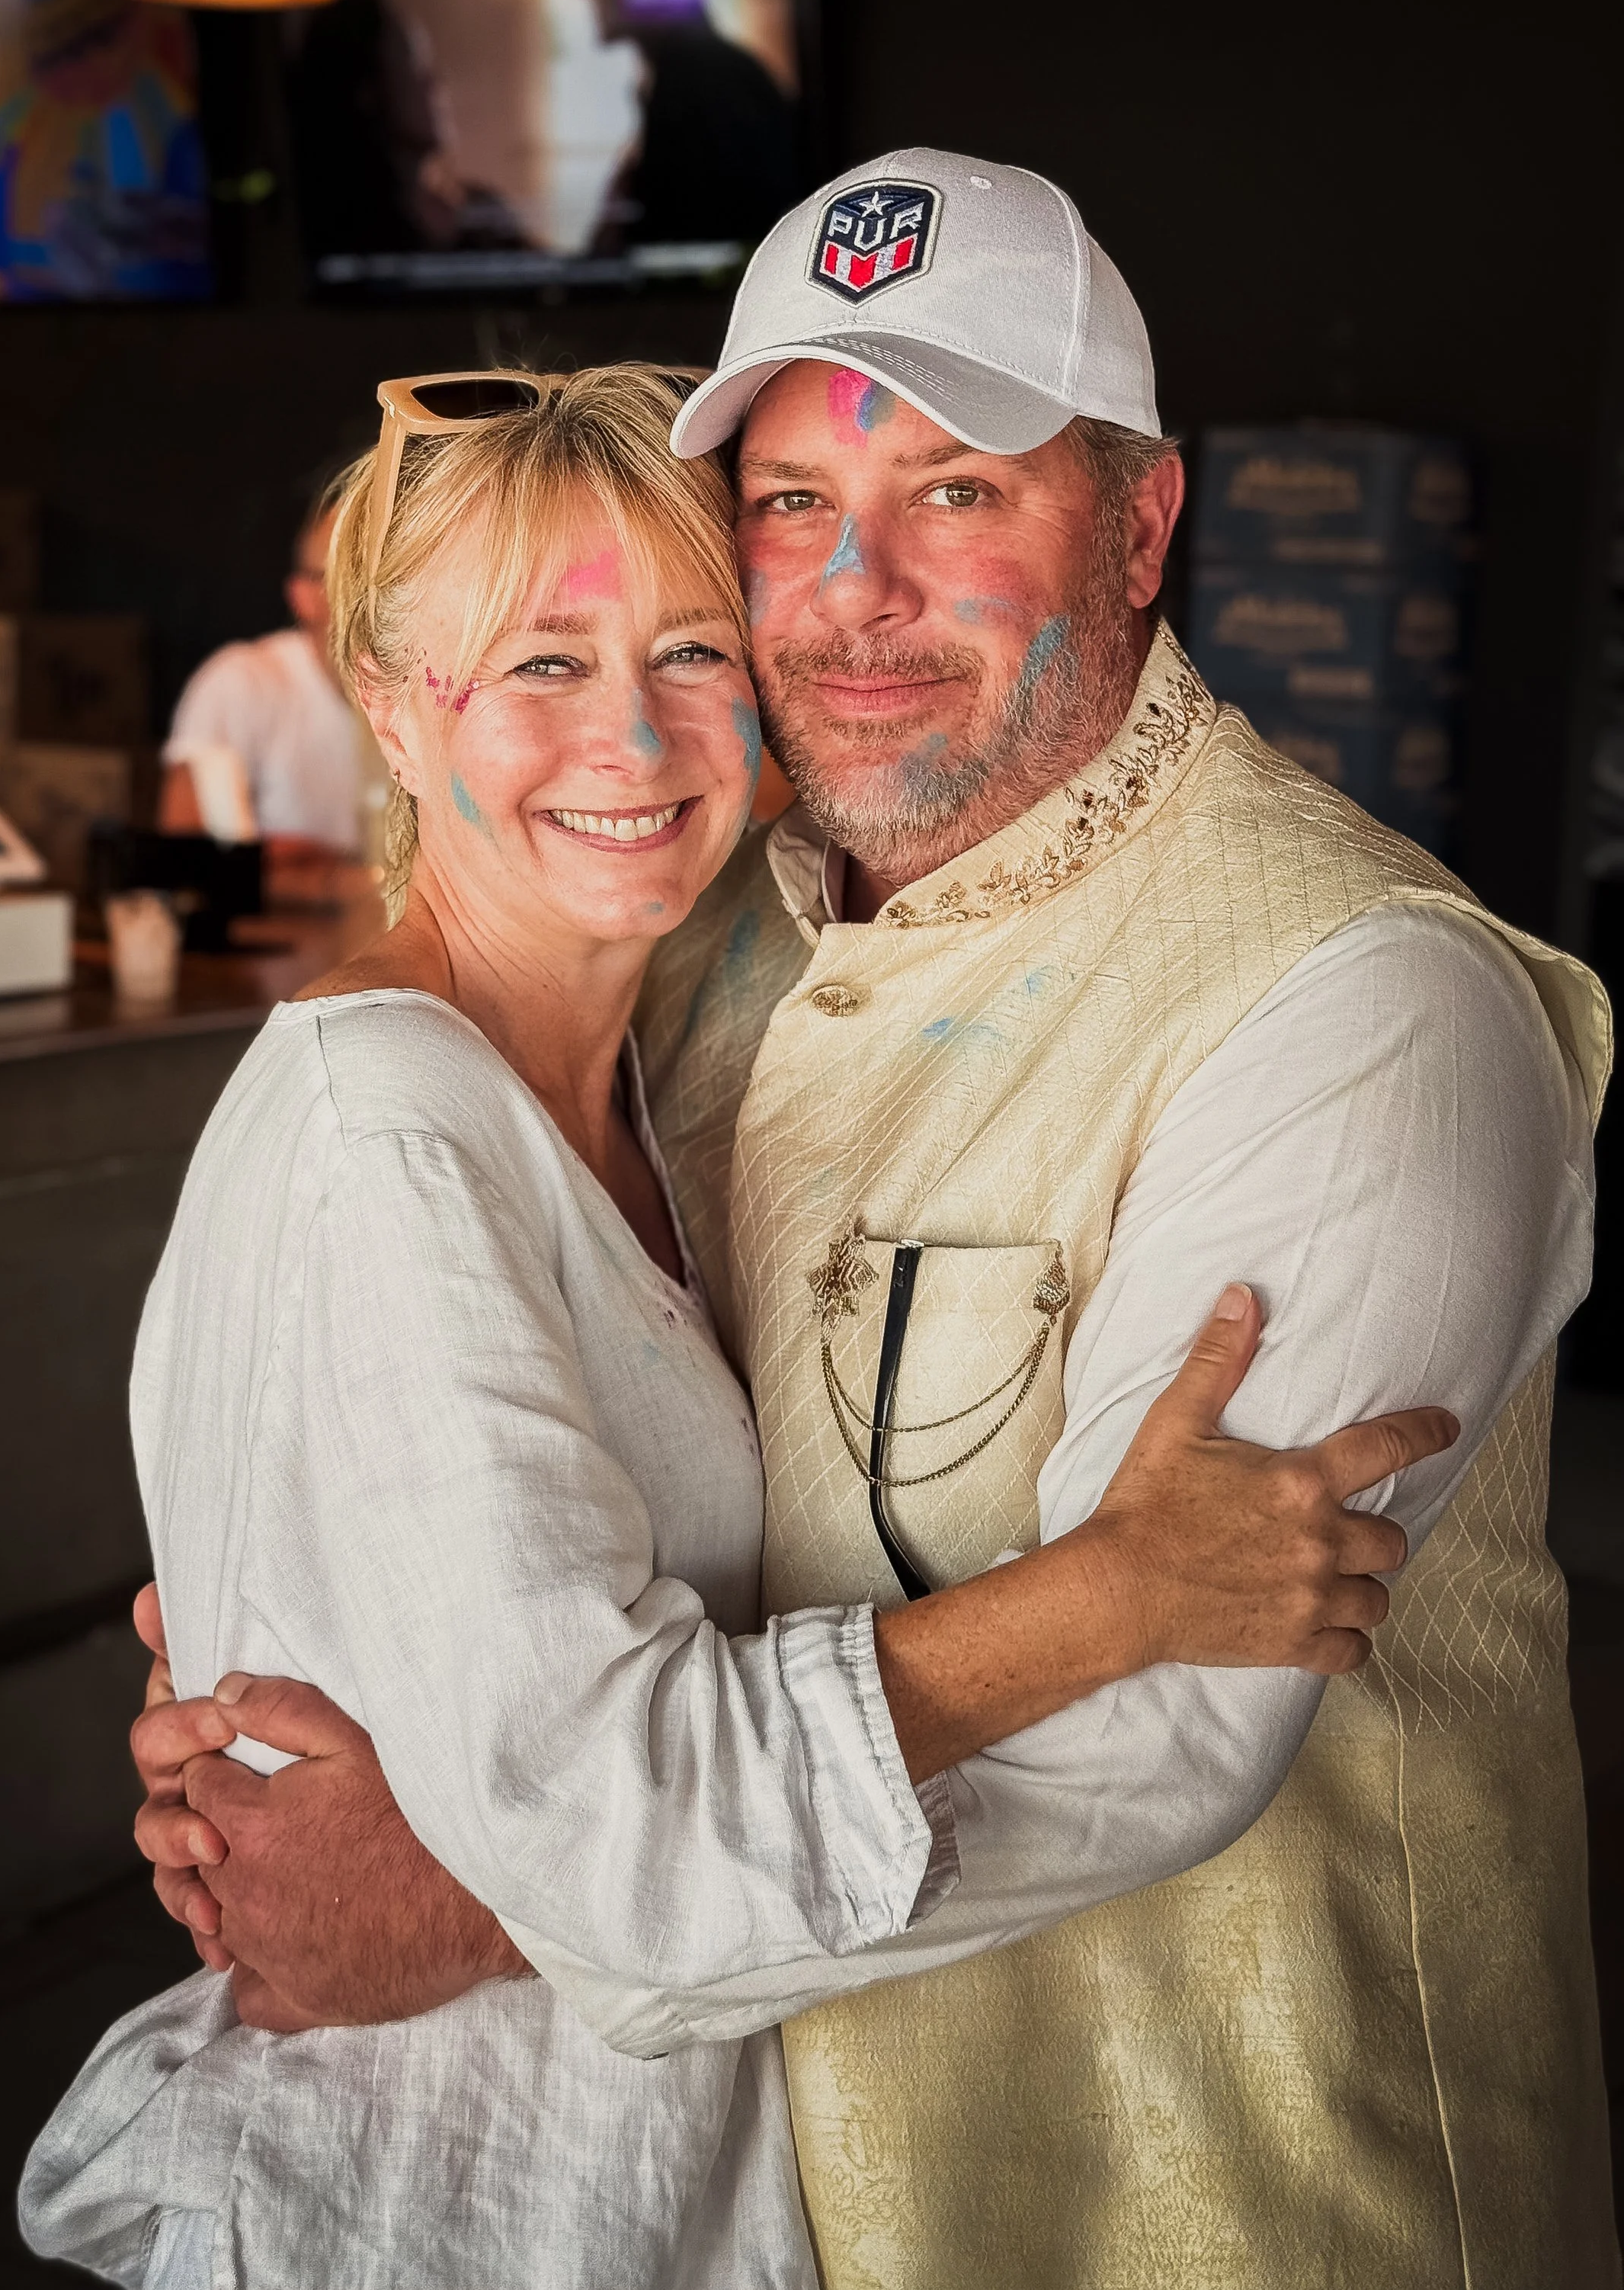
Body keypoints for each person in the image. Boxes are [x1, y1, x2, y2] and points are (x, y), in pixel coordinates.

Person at [126, 158, 1615, 2288]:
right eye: (796, 506)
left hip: (1217, 2182)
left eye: (956, 492)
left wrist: (472, 1879)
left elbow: (1160, 1723)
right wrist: (331, 1591)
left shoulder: (1359, 1004)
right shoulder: (717, 931)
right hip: (783, 2174)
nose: (849, 592)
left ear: (1137, 520)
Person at [159, 492, 388, 864]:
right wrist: (337, 876)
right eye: (349, 574)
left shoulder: (428, 697)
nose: (370, 594)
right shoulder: (241, 683)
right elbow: (190, 858)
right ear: (302, 595)